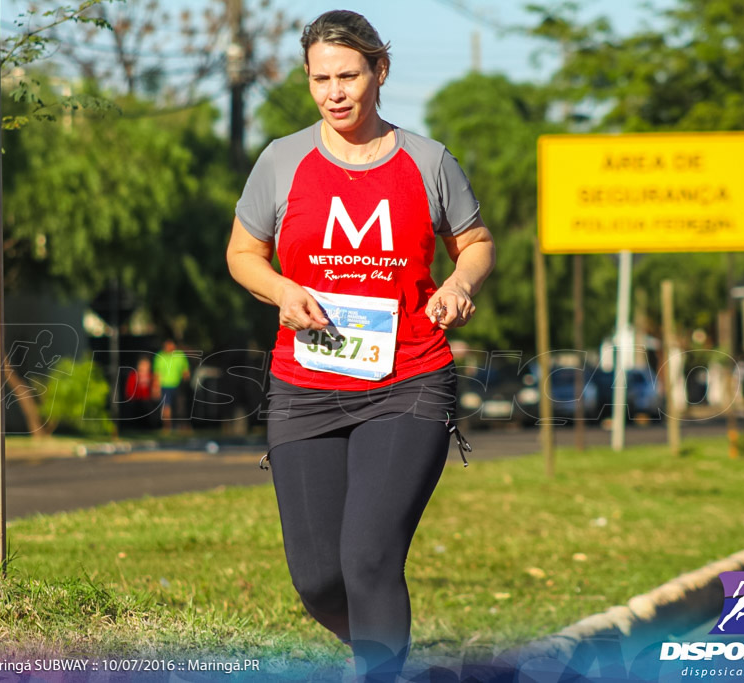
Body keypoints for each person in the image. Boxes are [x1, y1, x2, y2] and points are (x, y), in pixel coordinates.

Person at [226, 10, 495, 681]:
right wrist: (282, 290)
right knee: (318, 576)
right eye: (320, 78)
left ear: (380, 70)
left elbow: (477, 244)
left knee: (370, 557)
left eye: (348, 75)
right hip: (306, 383)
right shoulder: (281, 160)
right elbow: (241, 252)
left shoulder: (428, 160)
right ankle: (384, 651)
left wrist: (461, 284)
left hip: (409, 381)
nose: (334, 91)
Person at [154, 338, 191, 434]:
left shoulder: (180, 355)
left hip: (178, 385)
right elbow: (157, 373)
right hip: (165, 385)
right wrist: (156, 387)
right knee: (166, 407)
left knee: (180, 406)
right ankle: (167, 427)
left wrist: (186, 380)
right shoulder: (160, 356)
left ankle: (182, 426)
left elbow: (185, 370)